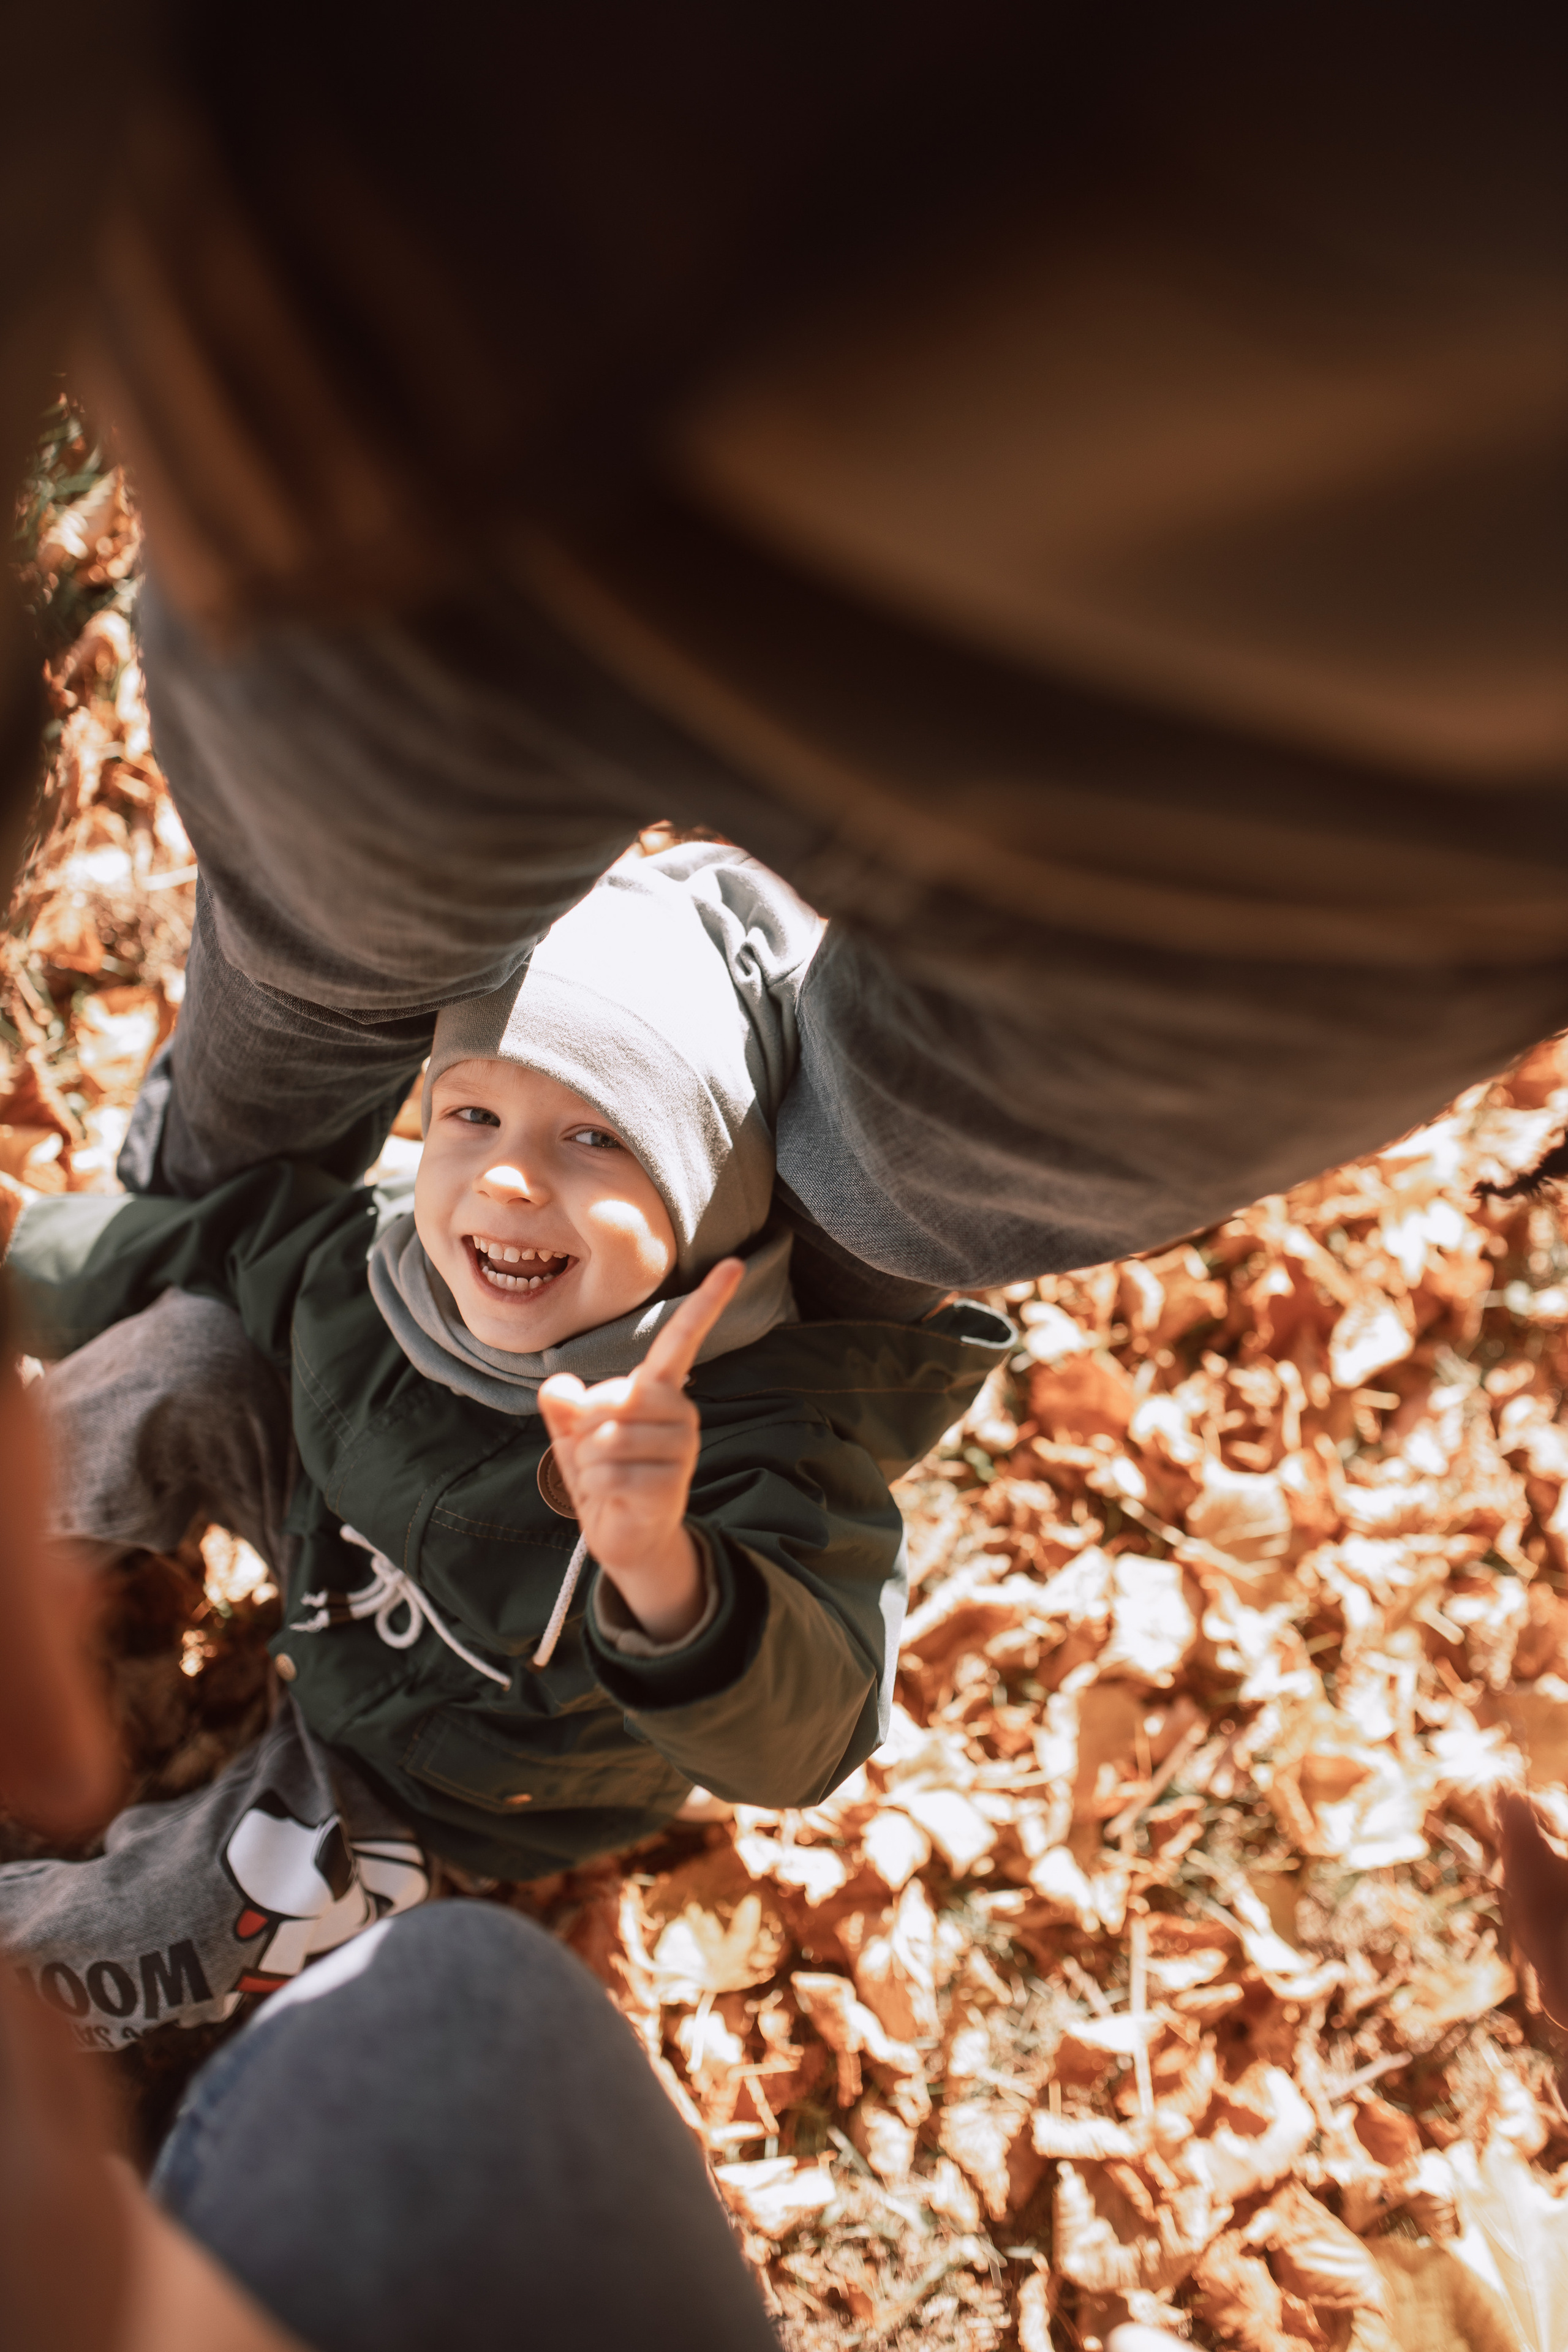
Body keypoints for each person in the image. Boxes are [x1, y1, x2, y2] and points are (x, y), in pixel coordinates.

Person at [0, 844, 1011, 2035]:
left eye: (595, 1139)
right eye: (473, 1112)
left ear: (710, 1200)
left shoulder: (755, 1430)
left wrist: (663, 1571)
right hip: (326, 1557)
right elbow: (186, 1246)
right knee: (189, 1351)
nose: (512, 1177)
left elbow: (807, 1734)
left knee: (213, 1900)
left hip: (442, 1783)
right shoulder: (367, 1263)